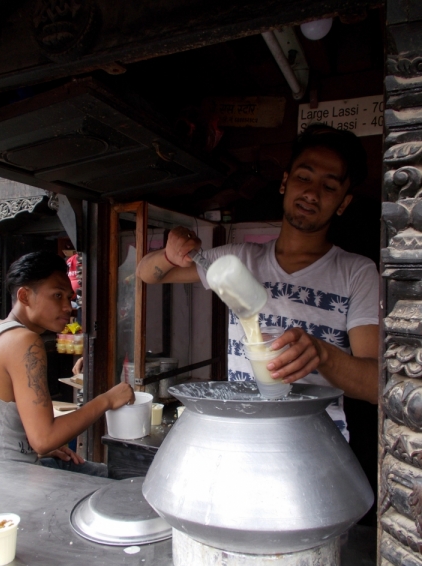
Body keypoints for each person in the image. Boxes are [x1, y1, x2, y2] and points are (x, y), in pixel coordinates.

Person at [136, 124, 379, 439]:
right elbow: (145, 273)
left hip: (318, 449)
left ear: (344, 202)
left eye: (329, 186)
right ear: (285, 182)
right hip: (242, 439)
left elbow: (376, 386)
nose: (311, 193)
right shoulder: (239, 260)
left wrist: (323, 354)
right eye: (303, 177)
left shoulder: (357, 273)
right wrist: (169, 256)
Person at [0, 251, 135, 476]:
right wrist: (107, 399)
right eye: (57, 295)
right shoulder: (24, 341)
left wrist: (36, 449)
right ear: (24, 296)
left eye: (69, 297)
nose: (68, 307)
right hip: (4, 480)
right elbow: (44, 439)